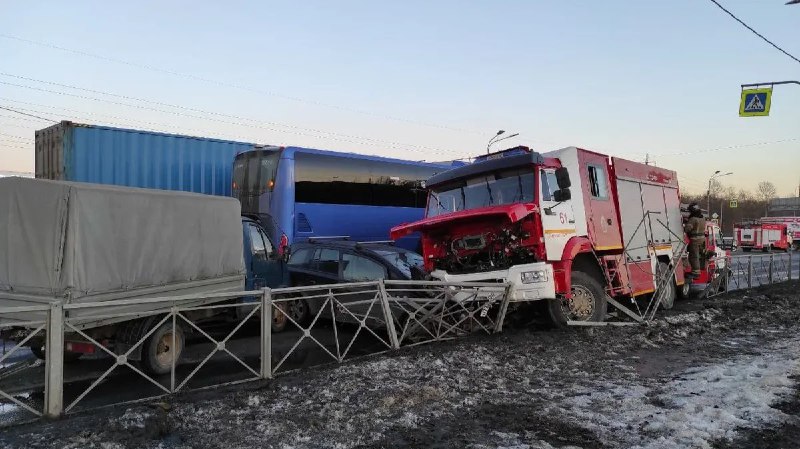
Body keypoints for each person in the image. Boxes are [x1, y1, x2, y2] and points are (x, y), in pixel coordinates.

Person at [684, 203, 706, 278]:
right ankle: (699, 269)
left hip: (695, 240)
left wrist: (686, 223)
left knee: (693, 257)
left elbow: (687, 229)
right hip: (702, 240)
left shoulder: (693, 219)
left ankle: (696, 273)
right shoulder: (702, 218)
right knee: (699, 256)